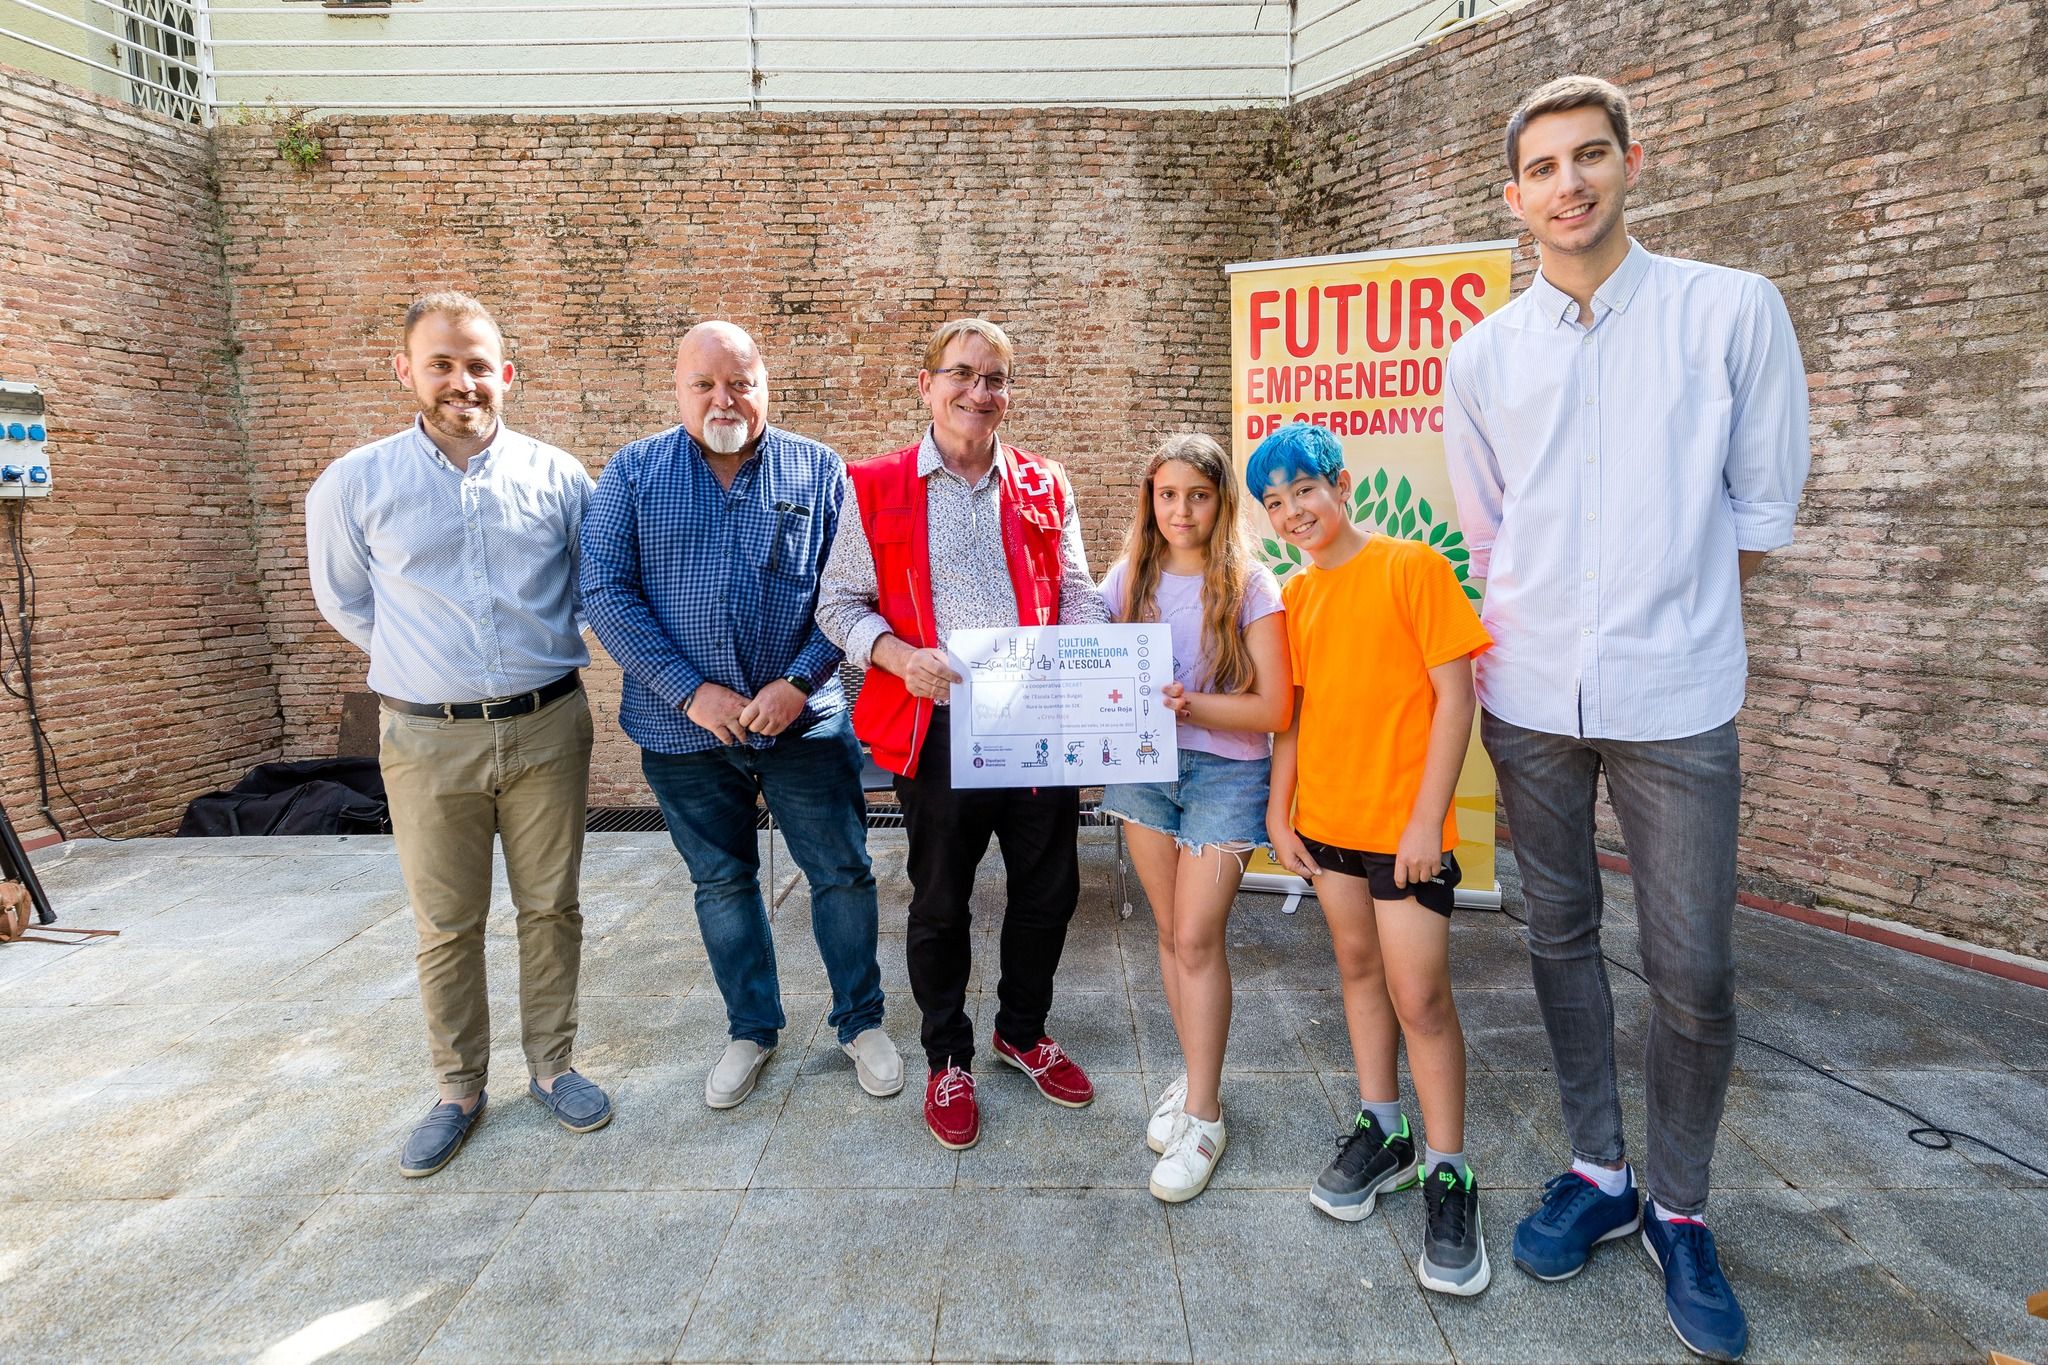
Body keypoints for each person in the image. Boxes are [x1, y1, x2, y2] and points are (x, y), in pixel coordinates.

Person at [1443, 75, 1811, 1362]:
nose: (1566, 184)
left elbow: (1758, 515)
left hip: (1676, 696)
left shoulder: (1728, 313)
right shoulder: (1482, 354)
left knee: (1693, 970)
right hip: (1531, 696)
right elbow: (1493, 531)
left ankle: (1681, 1205)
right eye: (1540, 168)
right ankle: (1597, 1172)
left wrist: (1665, 620)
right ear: (1514, 197)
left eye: (1587, 157)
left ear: (1629, 163)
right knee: (1553, 935)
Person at [306, 290, 610, 1178]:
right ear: (406, 371)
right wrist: (425, 663)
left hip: (549, 722)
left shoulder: (560, 478)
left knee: (552, 906)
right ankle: (458, 1088)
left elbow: (593, 591)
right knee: (447, 922)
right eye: (441, 363)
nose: (461, 381)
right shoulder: (357, 483)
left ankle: (553, 1066)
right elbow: (347, 600)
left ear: (506, 374)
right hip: (426, 738)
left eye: (478, 364)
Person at [580, 321, 897, 1109]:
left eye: (741, 382)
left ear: (766, 385)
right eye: (705, 384)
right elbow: (606, 593)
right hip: (680, 732)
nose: (724, 399)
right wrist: (691, 690)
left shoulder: (820, 471)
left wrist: (798, 680)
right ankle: (751, 1028)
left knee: (843, 873)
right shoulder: (633, 473)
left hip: (804, 722)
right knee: (723, 882)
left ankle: (861, 1021)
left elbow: (851, 589)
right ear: (678, 389)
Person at [816, 317, 1109, 1151]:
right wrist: (897, 654)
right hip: (936, 728)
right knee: (942, 900)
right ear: (926, 383)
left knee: (1049, 890)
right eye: (963, 374)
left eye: (996, 379)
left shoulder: (1047, 483)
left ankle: (1022, 1029)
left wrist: (1089, 653)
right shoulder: (871, 485)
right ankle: (948, 1055)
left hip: (1035, 724)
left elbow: (1079, 588)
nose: (979, 392)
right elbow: (837, 604)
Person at [1256, 422, 1495, 1296]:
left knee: (1421, 996)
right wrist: (1280, 813)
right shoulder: (1295, 598)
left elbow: (1454, 698)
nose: (1293, 513)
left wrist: (1429, 819)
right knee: (1358, 971)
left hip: (1408, 833)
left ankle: (1448, 1167)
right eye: (1275, 504)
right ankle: (1384, 1126)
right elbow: (1293, 717)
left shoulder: (1412, 568)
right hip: (1327, 826)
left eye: (1303, 492)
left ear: (1341, 483)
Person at [1096, 433, 1290, 1203]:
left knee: (1200, 935)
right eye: (1167, 494)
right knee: (1171, 930)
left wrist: (1190, 705)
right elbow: (1096, 669)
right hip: (1145, 773)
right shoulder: (1125, 578)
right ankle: (1193, 1070)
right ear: (1151, 499)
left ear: (1221, 502)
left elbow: (1274, 706)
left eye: (1198, 495)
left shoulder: (1250, 584)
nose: (1181, 510)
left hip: (1226, 772)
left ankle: (1205, 1114)